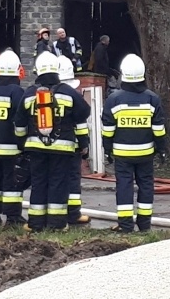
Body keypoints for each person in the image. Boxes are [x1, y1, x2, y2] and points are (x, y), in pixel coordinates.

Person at [14, 52, 91, 232]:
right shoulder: (68, 92)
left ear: (37, 70)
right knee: (58, 183)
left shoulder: (29, 94)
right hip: (62, 149)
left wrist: (22, 145)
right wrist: (83, 144)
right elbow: (82, 116)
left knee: (39, 182)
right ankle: (57, 224)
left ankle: (35, 224)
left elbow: (19, 123)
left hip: (35, 148)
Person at [101, 54, 166, 233]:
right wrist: (161, 150)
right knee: (146, 185)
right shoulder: (152, 99)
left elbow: (108, 129)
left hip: (122, 154)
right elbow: (159, 129)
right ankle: (145, 225)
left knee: (124, 186)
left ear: (124, 74)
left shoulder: (114, 100)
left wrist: (107, 150)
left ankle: (126, 225)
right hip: (146, 154)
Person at [0, 50, 27, 227]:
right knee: (12, 181)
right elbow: (20, 120)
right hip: (11, 146)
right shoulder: (17, 92)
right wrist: (23, 143)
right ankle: (12, 217)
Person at [57, 55, 91, 225]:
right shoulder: (74, 96)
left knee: (56, 179)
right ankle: (73, 214)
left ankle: (57, 212)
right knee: (73, 179)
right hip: (72, 146)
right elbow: (81, 123)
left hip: (51, 147)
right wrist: (84, 145)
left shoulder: (44, 93)